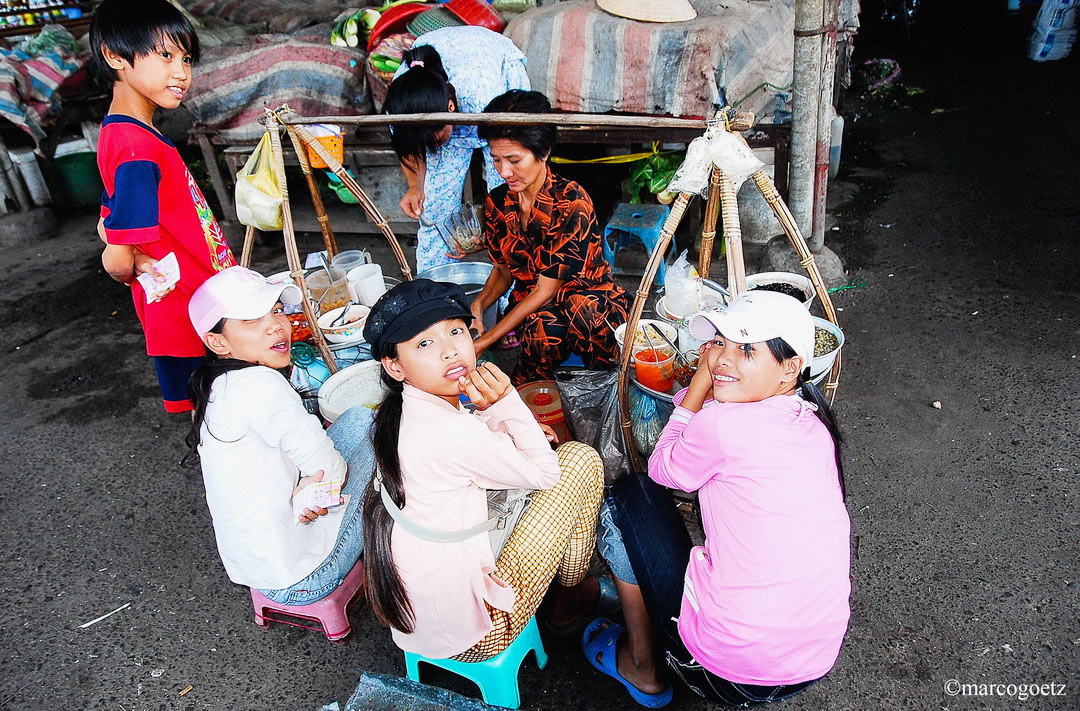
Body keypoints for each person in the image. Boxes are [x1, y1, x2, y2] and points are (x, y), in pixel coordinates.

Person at [592, 291, 851, 708]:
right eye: (720, 344)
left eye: (746, 349)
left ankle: (646, 668)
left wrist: (696, 387)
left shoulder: (721, 422)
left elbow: (663, 468)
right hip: (812, 661)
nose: (722, 359)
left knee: (630, 495)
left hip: (725, 673)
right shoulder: (814, 425)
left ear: (790, 368)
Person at [359, 278, 607, 661]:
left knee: (538, 454)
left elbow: (464, 445)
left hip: (421, 619)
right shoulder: (448, 430)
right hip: (476, 635)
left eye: (455, 332)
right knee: (579, 462)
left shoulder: (399, 414)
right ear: (394, 366)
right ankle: (570, 596)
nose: (448, 351)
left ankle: (569, 585)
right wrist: (508, 405)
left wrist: (504, 425)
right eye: (424, 344)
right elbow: (544, 474)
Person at [184, 266, 374, 604]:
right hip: (307, 575)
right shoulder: (260, 384)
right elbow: (332, 472)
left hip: (261, 569)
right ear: (217, 341)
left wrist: (308, 482)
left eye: (276, 310)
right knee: (388, 437)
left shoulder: (216, 383)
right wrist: (313, 483)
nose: (276, 324)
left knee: (360, 418)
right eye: (252, 320)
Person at [91, 0, 236, 413]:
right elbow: (116, 255)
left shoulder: (127, 134)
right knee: (220, 415)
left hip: (199, 303)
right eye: (166, 55)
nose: (181, 72)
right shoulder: (135, 148)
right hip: (188, 314)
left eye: (186, 58)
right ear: (115, 56)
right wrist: (130, 263)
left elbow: (107, 217)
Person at [468, 90, 630, 385]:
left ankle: (606, 385)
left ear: (543, 154)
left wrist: (483, 341)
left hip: (584, 295)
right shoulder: (497, 204)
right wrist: (479, 304)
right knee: (542, 331)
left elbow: (546, 289)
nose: (504, 171)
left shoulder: (571, 203)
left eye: (514, 160)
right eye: (496, 160)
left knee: (584, 311)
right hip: (536, 302)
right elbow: (504, 271)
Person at [383, 26, 529, 272]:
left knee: (508, 203)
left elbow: (511, 153)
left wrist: (493, 228)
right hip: (444, 86)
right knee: (435, 209)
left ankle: (512, 290)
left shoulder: (483, 96)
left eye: (435, 139)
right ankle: (434, 286)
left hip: (490, 69)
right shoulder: (400, 105)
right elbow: (409, 148)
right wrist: (414, 187)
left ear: (451, 107)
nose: (432, 147)